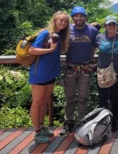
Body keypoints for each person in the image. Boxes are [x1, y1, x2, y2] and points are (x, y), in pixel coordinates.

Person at [28, 11, 70, 143]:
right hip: (39, 72)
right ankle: (37, 131)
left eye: (65, 21)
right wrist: (50, 50)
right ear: (54, 20)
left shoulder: (60, 35)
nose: (63, 23)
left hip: (51, 72)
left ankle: (42, 126)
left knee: (45, 101)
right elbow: (32, 50)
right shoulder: (46, 33)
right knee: (38, 101)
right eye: (61, 20)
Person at [60, 6, 99, 135]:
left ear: (85, 17)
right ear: (73, 18)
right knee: (69, 97)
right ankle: (69, 121)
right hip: (70, 68)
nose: (79, 18)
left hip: (86, 68)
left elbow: (97, 44)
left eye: (81, 16)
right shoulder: (67, 30)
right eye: (76, 16)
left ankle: (82, 120)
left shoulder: (92, 31)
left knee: (83, 97)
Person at [95, 15, 118, 132]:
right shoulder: (98, 37)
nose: (111, 27)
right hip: (103, 71)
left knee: (115, 98)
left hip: (117, 71)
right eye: (109, 24)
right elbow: (92, 48)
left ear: (117, 26)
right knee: (103, 98)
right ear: (105, 26)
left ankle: (114, 122)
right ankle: (103, 122)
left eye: (114, 24)